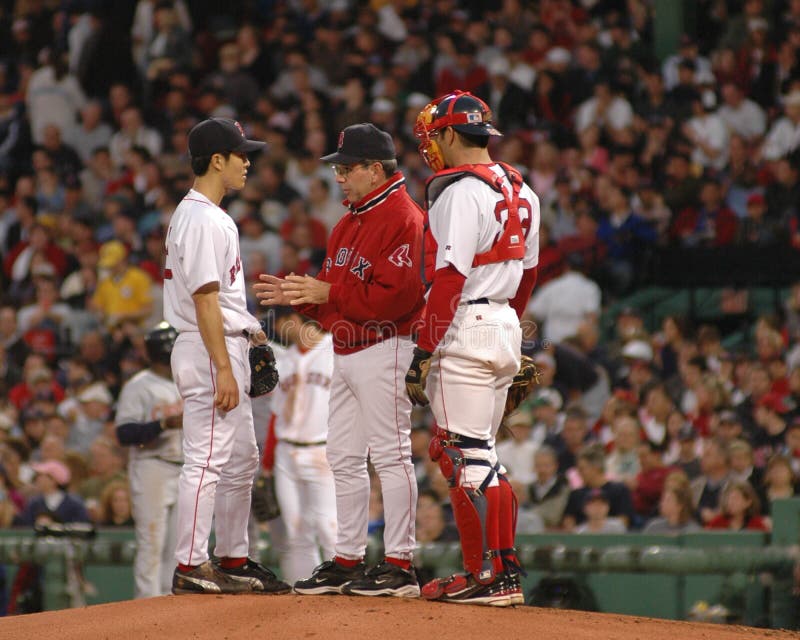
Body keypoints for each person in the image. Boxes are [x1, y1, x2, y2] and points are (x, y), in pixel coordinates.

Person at [254, 122, 424, 597]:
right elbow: (336, 303)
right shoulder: (347, 223)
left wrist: (327, 292)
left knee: (391, 455)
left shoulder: (406, 218)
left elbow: (395, 299)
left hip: (388, 346)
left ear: (376, 169)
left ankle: (400, 563)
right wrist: (301, 296)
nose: (339, 176)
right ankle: (348, 559)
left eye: (347, 168)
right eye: (338, 168)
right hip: (345, 350)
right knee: (344, 458)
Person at [405, 91, 540, 606]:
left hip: (466, 321)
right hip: (503, 319)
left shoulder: (461, 192)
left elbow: (449, 278)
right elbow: (529, 275)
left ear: (450, 134)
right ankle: (502, 571)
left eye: (434, 135)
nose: (431, 146)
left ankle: (483, 574)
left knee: (460, 454)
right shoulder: (524, 190)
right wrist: (513, 336)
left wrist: (424, 349)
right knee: (485, 456)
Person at [163, 117, 290, 595]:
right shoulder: (200, 218)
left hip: (222, 342)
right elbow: (205, 300)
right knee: (207, 458)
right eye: (241, 155)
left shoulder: (209, 215)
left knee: (240, 459)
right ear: (217, 160)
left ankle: (233, 558)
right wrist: (222, 367)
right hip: (208, 346)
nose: (247, 162)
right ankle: (191, 564)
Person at [266, 307, 337, 584]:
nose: (278, 331)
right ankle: (304, 591)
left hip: (323, 450)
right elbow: (276, 413)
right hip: (286, 453)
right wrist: (268, 462)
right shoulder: (285, 359)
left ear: (294, 320)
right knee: (296, 530)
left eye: (281, 324)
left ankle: (340, 585)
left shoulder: (335, 350)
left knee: (328, 526)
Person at [114, 322, 183, 598]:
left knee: (179, 548)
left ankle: (170, 608)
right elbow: (124, 433)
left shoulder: (190, 380)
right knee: (151, 544)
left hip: (186, 468)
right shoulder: (138, 386)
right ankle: (146, 607)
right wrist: (163, 424)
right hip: (152, 465)